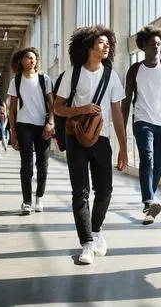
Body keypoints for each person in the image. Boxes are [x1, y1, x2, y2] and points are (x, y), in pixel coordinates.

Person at [55, 25, 128, 265]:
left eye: (108, 43)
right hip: (76, 138)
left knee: (105, 190)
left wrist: (124, 149)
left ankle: (96, 231)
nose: (106, 46)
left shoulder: (112, 76)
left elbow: (117, 113)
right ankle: (86, 242)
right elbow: (58, 107)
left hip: (102, 139)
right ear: (88, 46)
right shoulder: (72, 73)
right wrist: (81, 109)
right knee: (80, 193)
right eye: (101, 43)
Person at [122, 25, 161, 225]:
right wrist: (121, 124)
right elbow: (126, 98)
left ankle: (150, 196)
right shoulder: (135, 70)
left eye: (159, 44)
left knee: (160, 162)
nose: (157, 47)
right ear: (143, 46)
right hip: (142, 120)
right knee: (147, 159)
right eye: (152, 44)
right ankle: (148, 202)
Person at [8, 48, 54, 214]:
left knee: (43, 164)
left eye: (34, 58)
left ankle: (39, 198)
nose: (32, 61)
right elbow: (12, 108)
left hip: (42, 125)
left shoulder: (44, 79)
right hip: (24, 124)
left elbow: (52, 103)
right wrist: (12, 134)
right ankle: (26, 201)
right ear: (21, 61)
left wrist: (50, 122)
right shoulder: (17, 80)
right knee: (26, 165)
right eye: (28, 58)